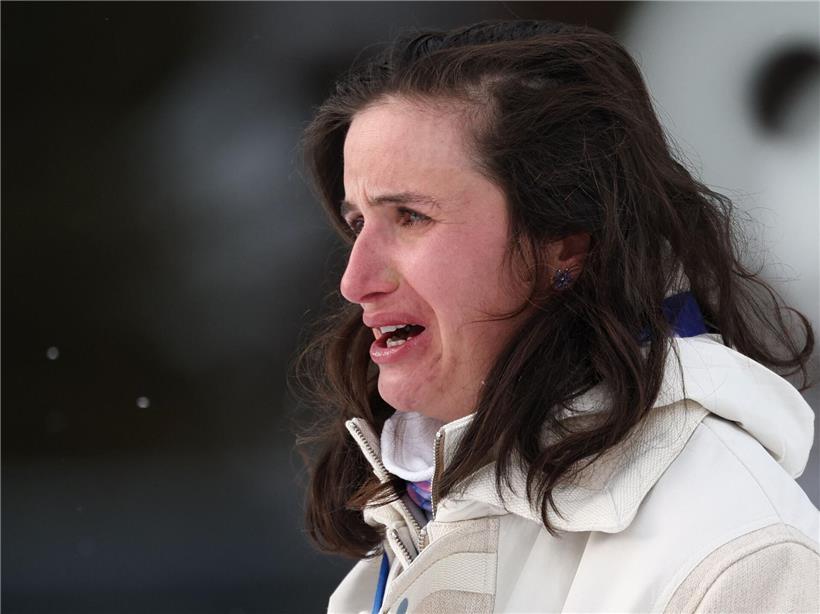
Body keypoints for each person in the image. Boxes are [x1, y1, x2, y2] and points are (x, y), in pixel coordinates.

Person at [295, 20, 819, 614]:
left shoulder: (729, 555)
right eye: (358, 223)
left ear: (564, 242)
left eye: (411, 217)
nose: (355, 281)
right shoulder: (403, 542)